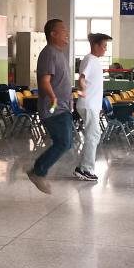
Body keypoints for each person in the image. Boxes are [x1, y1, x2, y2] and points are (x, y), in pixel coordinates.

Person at [27, 18, 78, 194]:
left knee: (66, 143)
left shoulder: (58, 53)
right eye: (63, 30)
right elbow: (44, 81)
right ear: (53, 34)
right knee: (63, 142)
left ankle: (38, 170)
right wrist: (53, 98)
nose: (67, 33)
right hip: (54, 108)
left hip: (62, 107)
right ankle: (38, 171)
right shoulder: (49, 53)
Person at [75, 32, 111, 181]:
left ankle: (83, 167)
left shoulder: (94, 60)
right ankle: (85, 169)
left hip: (92, 105)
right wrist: (83, 90)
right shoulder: (90, 59)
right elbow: (82, 78)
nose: (105, 49)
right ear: (95, 46)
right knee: (93, 135)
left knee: (93, 135)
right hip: (88, 104)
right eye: (104, 46)